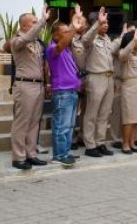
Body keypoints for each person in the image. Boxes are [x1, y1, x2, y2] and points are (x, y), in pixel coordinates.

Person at [9, 5, 50, 170]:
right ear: (24, 26)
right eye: (33, 22)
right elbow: (26, 39)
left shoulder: (37, 43)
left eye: (37, 22)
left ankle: (30, 154)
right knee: (22, 123)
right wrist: (42, 21)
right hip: (24, 85)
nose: (37, 25)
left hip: (37, 86)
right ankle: (18, 157)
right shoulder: (17, 41)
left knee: (34, 122)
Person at [80, 6, 118, 158]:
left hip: (108, 78)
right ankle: (89, 145)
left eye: (106, 23)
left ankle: (100, 142)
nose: (106, 25)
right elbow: (85, 40)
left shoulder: (107, 39)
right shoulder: (90, 38)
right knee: (92, 113)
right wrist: (97, 24)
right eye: (103, 23)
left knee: (104, 113)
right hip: (96, 77)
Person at [46, 21, 83, 168]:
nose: (69, 34)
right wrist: (74, 28)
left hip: (72, 92)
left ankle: (65, 153)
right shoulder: (53, 48)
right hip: (63, 93)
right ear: (56, 35)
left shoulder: (67, 50)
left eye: (69, 31)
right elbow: (61, 45)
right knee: (62, 126)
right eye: (65, 32)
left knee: (70, 125)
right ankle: (59, 155)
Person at [118, 28, 137, 154]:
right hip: (129, 86)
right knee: (129, 118)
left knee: (136, 117)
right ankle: (125, 144)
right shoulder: (124, 53)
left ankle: (132, 142)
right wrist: (133, 41)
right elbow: (123, 54)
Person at [69, 5, 87, 151]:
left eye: (85, 23)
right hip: (73, 78)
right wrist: (75, 19)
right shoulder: (70, 39)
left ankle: (82, 135)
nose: (84, 25)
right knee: (73, 110)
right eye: (81, 23)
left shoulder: (87, 40)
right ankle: (71, 137)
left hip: (88, 78)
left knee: (85, 110)